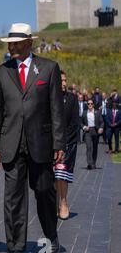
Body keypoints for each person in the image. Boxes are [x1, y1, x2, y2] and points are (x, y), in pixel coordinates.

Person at [0, 23, 65, 253]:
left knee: (44, 191)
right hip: (11, 144)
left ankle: (51, 235)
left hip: (41, 143)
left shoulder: (49, 68)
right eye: (9, 43)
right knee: (13, 197)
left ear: (29, 43)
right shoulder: (0, 73)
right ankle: (15, 246)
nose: (11, 47)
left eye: (16, 43)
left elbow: (56, 109)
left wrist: (59, 143)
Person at [54, 71, 79, 220]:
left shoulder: (72, 99)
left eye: (65, 80)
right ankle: (55, 203)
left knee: (62, 175)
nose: (64, 83)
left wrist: (62, 142)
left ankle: (63, 202)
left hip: (68, 144)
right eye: (60, 80)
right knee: (53, 176)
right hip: (50, 144)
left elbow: (74, 123)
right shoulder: (48, 98)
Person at [81, 99, 104, 169]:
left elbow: (102, 122)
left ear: (93, 104)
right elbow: (80, 122)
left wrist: (101, 128)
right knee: (89, 147)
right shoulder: (84, 113)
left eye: (91, 103)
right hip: (87, 131)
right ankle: (89, 163)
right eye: (88, 104)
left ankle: (94, 162)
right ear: (87, 105)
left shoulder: (97, 112)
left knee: (95, 148)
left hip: (95, 131)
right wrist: (84, 127)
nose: (90, 105)